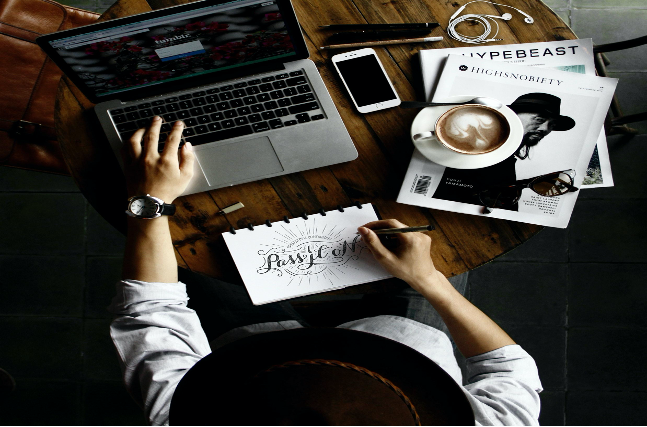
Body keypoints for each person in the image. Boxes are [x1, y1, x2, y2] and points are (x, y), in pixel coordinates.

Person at [109, 116, 543, 425]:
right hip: (407, 336)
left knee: (191, 249)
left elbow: (151, 313)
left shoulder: (187, 414)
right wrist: (426, 278)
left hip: (249, 346)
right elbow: (507, 368)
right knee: (435, 227)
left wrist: (151, 200)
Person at [431, 92, 576, 211]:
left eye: (552, 124)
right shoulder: (478, 148)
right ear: (513, 115)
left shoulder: (507, 159)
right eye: (539, 119)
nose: (545, 129)